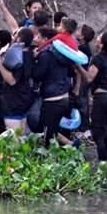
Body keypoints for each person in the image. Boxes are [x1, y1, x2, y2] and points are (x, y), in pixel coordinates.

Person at [32, 13, 76, 147]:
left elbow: (37, 75)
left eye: (38, 36)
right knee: (52, 130)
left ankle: (49, 156)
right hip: (64, 97)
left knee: (46, 135)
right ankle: (71, 145)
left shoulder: (46, 55)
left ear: (45, 39)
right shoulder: (63, 55)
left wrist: (33, 61)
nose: (35, 38)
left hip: (52, 99)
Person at [79, 30, 107, 161]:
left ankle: (103, 160)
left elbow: (89, 78)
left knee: (98, 131)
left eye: (99, 38)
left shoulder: (97, 59)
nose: (96, 39)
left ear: (101, 44)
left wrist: (77, 66)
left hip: (101, 97)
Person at [0, 27, 35, 131]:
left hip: (14, 101)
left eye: (15, 35)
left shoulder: (17, 57)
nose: (13, 37)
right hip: (25, 98)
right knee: (23, 136)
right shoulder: (30, 53)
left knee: (14, 137)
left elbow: (12, 81)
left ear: (19, 38)